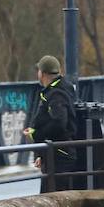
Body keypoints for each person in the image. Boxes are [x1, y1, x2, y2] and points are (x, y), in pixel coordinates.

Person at [24, 55, 80, 190]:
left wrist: (36, 135)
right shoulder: (60, 89)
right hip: (55, 152)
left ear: (42, 73)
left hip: (59, 155)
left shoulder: (56, 94)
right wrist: (41, 154)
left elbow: (59, 123)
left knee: (52, 196)